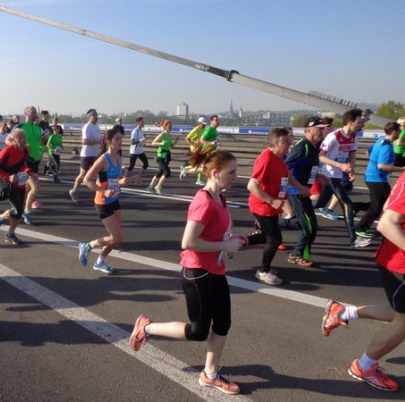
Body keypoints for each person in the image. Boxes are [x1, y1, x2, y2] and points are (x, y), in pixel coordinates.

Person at [130, 149, 246, 396]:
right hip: (197, 273)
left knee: (223, 323)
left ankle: (210, 375)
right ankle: (146, 328)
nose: (236, 177)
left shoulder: (220, 198)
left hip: (215, 270)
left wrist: (233, 240)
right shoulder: (204, 202)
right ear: (216, 173)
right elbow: (188, 242)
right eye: (232, 172)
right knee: (198, 332)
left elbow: (215, 234)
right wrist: (224, 245)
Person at [321, 171, 405, 392]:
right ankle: (364, 366)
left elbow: (388, 206)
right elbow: (386, 223)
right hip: (399, 264)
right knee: (403, 321)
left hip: (397, 260)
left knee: (398, 313)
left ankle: (342, 312)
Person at [247, 128, 310, 285]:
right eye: (287, 141)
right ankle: (263, 271)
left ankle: (234, 242)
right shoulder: (266, 158)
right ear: (276, 143)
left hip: (273, 206)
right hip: (263, 206)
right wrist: (272, 201)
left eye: (290, 140)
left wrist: (300, 187)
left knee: (266, 237)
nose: (290, 144)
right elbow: (252, 185)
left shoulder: (280, 157)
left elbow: (287, 176)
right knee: (275, 239)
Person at [78, 129, 138, 274]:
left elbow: (118, 181)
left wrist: (130, 179)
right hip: (102, 202)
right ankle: (87, 246)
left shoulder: (118, 158)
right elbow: (87, 180)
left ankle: (100, 262)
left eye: (121, 139)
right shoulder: (103, 159)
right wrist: (103, 191)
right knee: (118, 237)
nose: (120, 141)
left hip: (114, 200)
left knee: (115, 238)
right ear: (108, 141)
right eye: (117, 139)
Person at [313, 108, 371, 248]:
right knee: (347, 204)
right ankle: (353, 239)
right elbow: (320, 157)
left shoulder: (353, 137)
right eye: (359, 122)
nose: (362, 125)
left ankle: (298, 209)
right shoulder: (334, 136)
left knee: (320, 203)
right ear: (350, 122)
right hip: (329, 174)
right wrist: (339, 165)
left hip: (339, 175)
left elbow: (352, 156)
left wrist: (351, 169)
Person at [280, 117, 329, 267]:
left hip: (304, 191)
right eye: (319, 128)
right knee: (309, 226)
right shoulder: (302, 147)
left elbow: (305, 168)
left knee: (306, 224)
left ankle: (270, 224)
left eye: (324, 128)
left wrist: (317, 176)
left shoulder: (315, 146)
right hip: (297, 192)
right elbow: (284, 169)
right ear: (308, 130)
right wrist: (298, 188)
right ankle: (297, 255)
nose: (322, 131)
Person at [354, 121, 404, 237]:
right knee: (378, 207)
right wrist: (401, 169)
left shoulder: (381, 140)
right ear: (394, 132)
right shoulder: (386, 146)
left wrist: (374, 160)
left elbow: (368, 151)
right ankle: (361, 228)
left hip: (374, 177)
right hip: (377, 179)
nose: (400, 133)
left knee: (382, 202)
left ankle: (356, 207)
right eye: (399, 131)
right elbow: (382, 165)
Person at [0, 128, 30, 245]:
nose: (23, 140)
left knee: (18, 212)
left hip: (20, 183)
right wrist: (8, 177)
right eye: (20, 137)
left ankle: (10, 234)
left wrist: (27, 173)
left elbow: (24, 165)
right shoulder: (7, 151)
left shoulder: (25, 150)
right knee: (19, 210)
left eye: (24, 137)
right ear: (13, 139)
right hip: (9, 184)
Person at [12, 106, 46, 221]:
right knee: (36, 188)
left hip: (35, 161)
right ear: (26, 114)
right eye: (32, 112)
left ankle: (18, 208)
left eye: (36, 112)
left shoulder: (38, 128)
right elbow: (8, 141)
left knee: (27, 187)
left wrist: (44, 143)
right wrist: (21, 146)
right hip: (24, 161)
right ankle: (26, 211)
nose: (35, 114)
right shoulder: (20, 127)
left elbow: (42, 141)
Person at [69, 108, 102, 202]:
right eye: (94, 115)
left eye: (96, 115)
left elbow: (98, 139)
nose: (96, 117)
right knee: (83, 175)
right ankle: (74, 191)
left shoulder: (97, 126)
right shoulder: (87, 127)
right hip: (86, 155)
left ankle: (99, 193)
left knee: (99, 173)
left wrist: (101, 145)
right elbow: (84, 141)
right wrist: (97, 142)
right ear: (89, 117)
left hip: (95, 154)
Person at [147, 119, 179, 195]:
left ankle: (150, 187)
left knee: (160, 172)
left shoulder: (169, 136)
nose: (171, 127)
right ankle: (158, 186)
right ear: (165, 126)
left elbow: (171, 147)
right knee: (167, 173)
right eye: (169, 126)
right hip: (160, 156)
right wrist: (161, 143)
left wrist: (176, 141)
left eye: (171, 126)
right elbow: (153, 143)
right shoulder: (162, 135)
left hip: (165, 156)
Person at [180, 116, 207, 185]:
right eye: (203, 124)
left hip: (201, 148)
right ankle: (198, 179)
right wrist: (194, 145)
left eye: (205, 124)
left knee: (200, 164)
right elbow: (187, 138)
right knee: (200, 164)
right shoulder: (196, 129)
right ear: (199, 123)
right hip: (195, 149)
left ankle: (186, 168)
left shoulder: (204, 129)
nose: (204, 125)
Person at [124, 116, 148, 184]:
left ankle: (138, 178)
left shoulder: (141, 131)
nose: (143, 123)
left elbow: (140, 141)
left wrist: (143, 143)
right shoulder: (135, 131)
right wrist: (141, 140)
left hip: (140, 151)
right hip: (134, 151)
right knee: (131, 166)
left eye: (143, 121)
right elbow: (133, 142)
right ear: (138, 123)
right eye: (142, 121)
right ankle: (123, 178)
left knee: (146, 164)